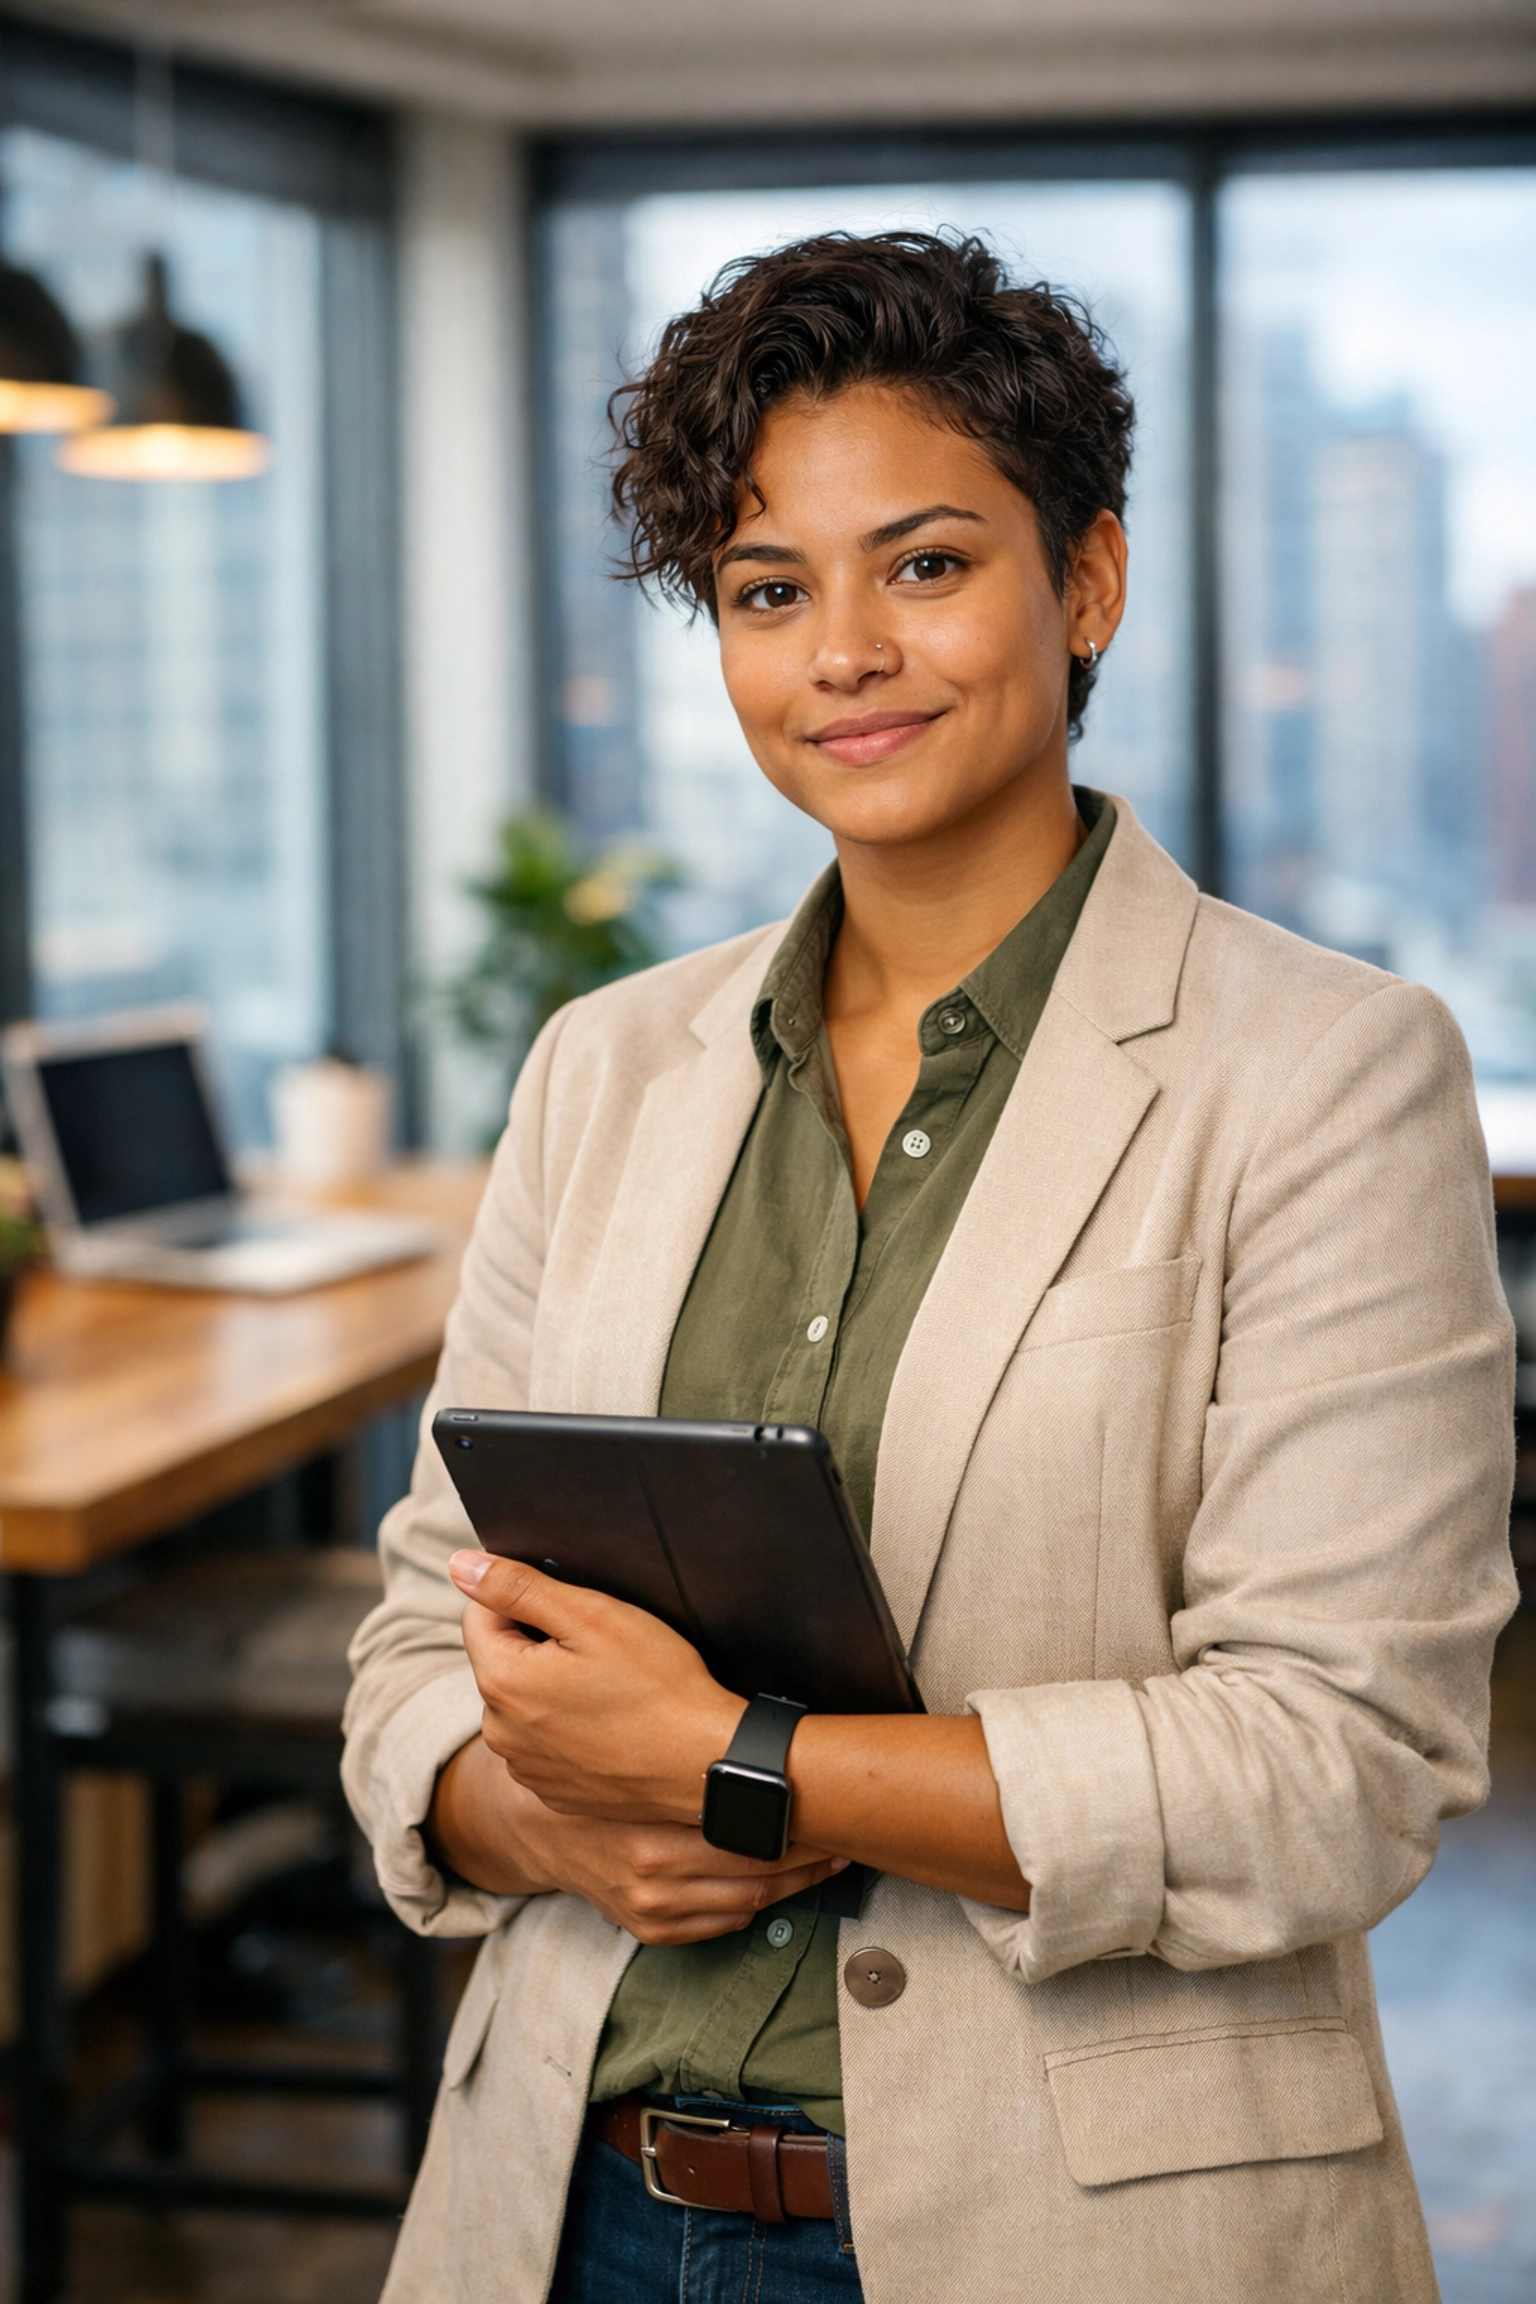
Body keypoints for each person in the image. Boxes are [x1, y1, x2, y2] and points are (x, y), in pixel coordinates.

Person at [343, 232, 1516, 2304]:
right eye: (769, 591)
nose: (845, 654)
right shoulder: (606, 1068)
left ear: (1086, 584)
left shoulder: (1329, 1071)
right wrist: (553, 1822)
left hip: (1077, 2231)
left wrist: (743, 1764)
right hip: (575, 2205)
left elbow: (1339, 1759)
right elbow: (426, 1642)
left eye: (929, 565)